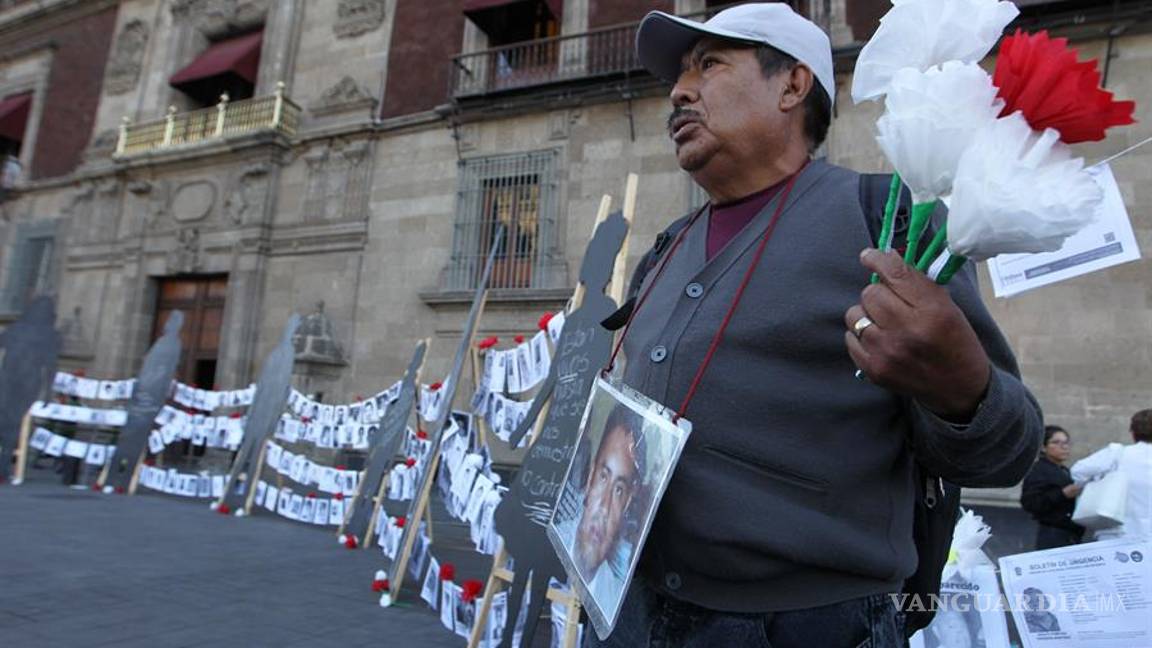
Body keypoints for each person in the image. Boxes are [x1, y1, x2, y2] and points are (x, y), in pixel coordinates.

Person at [597, 4, 1045, 646]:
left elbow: (1009, 448)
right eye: (678, 75)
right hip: (631, 607)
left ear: (792, 84)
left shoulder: (885, 219)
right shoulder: (668, 244)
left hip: (806, 627)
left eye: (709, 65)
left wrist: (962, 391)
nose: (679, 91)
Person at [559, 405, 645, 614]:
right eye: (603, 477)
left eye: (618, 490)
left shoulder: (613, 603)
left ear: (626, 504)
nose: (604, 508)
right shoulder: (552, 540)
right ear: (590, 478)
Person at [1071, 409, 1152, 541]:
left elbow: (1078, 471)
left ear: (1133, 432)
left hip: (1118, 534)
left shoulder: (1117, 453)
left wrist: (1096, 480)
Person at [1020, 426, 1085, 549]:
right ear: (1043, 447)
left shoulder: (1064, 470)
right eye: (1056, 442)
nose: (1064, 447)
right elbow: (1030, 502)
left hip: (1071, 534)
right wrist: (1062, 494)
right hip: (1053, 534)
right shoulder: (1039, 470)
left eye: (1066, 442)